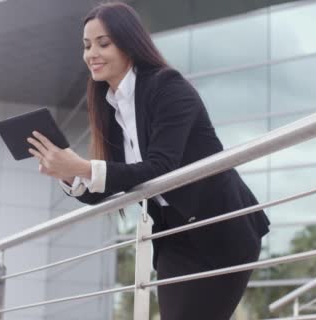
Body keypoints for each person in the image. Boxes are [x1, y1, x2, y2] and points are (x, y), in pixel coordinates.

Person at [26, 2, 270, 319]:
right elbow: (110, 185)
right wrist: (70, 176)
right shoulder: (107, 104)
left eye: (103, 43)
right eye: (87, 46)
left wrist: (82, 167)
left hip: (221, 230)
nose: (91, 54)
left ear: (129, 43)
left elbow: (161, 168)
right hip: (174, 238)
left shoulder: (168, 87)